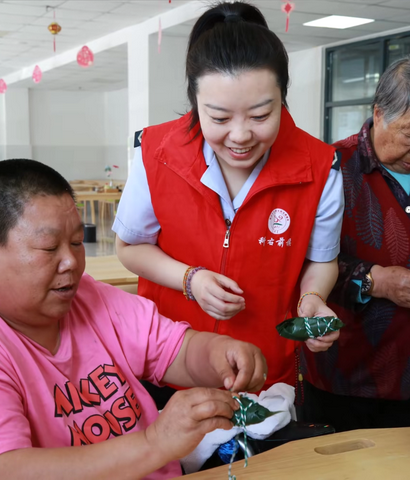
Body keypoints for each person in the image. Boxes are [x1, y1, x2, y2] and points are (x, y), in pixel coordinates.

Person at [0, 159, 268, 480]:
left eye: (77, 242)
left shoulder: (90, 298)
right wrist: (154, 443)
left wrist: (218, 353)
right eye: (48, 246)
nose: (71, 261)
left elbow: (176, 350)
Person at [113, 0, 344, 398]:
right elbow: (130, 248)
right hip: (168, 360)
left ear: (282, 97)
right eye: (219, 118)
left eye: (259, 116)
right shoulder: (155, 152)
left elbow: (322, 261)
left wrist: (312, 300)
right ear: (195, 103)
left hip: (264, 371)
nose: (240, 136)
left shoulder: (321, 167)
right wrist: (191, 280)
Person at [300, 56, 410, 431]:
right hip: (350, 374)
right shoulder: (330, 167)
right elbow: (300, 262)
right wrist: (374, 280)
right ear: (379, 113)